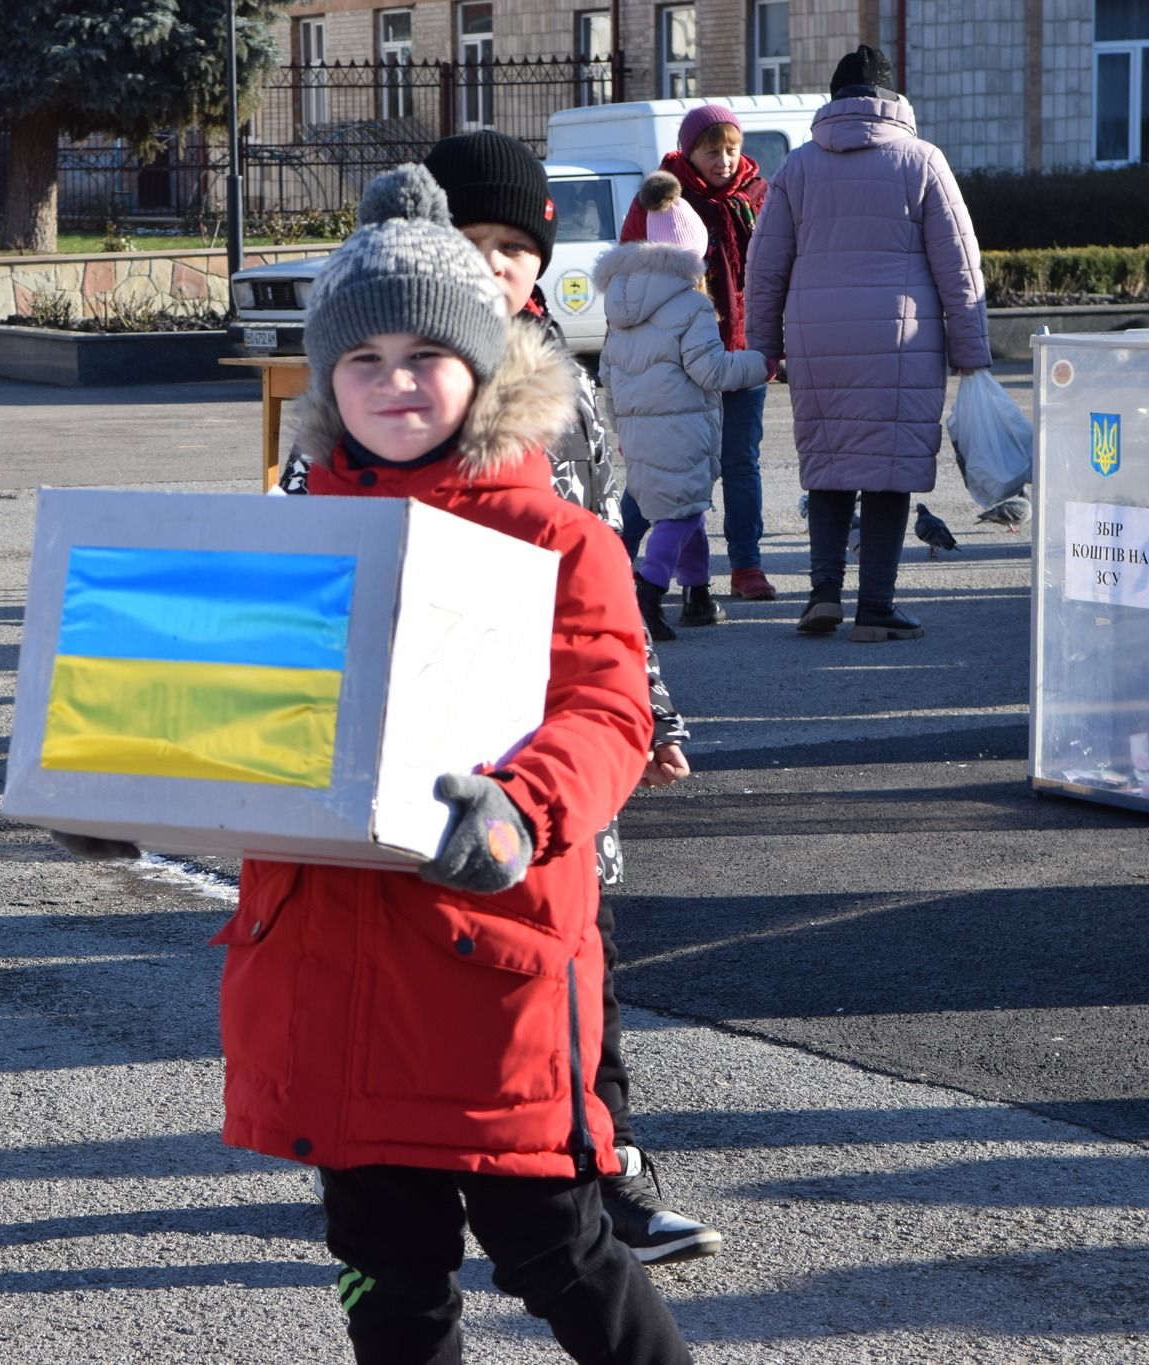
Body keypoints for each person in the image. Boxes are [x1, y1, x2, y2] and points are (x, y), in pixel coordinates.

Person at [62, 165, 689, 1364]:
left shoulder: (553, 534)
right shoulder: (292, 534)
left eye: (423, 355)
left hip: (482, 956)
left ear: (485, 367)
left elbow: (605, 709)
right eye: (362, 361)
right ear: (324, 381)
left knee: (555, 1248)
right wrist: (118, 785)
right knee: (383, 1273)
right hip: (326, 963)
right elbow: (221, 708)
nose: (393, 383)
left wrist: (520, 808)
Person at [414, 127, 723, 1267]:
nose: (495, 266)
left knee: (569, 951)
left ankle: (611, 1169)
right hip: (417, 731)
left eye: (514, 246)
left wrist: (649, 705)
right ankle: (405, 1162)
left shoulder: (565, 393)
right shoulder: (381, 378)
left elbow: (603, 571)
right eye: (468, 241)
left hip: (545, 729)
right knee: (423, 960)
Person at [743, 44, 991, 642]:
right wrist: (972, 352)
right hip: (902, 340)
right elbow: (959, 264)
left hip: (817, 339)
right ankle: (875, 607)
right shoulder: (922, 161)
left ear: (834, 101)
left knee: (827, 467)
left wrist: (764, 345)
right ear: (892, 100)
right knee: (889, 472)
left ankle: (822, 594)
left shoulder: (797, 167)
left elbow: (765, 265)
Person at [600, 174, 768, 642]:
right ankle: (648, 594)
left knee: (686, 506)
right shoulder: (691, 308)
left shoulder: (622, 306)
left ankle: (696, 594)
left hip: (639, 430)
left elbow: (609, 374)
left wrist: (620, 424)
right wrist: (761, 363)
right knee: (682, 515)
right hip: (683, 427)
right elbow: (711, 372)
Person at [618, 104, 776, 603]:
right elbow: (629, 269)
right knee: (665, 465)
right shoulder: (661, 196)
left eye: (731, 149)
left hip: (742, 351)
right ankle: (617, 556)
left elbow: (775, 266)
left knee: (740, 462)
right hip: (674, 356)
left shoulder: (757, 193)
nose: (725, 160)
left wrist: (772, 341)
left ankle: (746, 565)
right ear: (690, 151)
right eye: (713, 151)